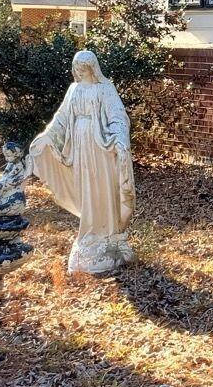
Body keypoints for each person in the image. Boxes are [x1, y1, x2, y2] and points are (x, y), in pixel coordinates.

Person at [29, 50, 136, 274]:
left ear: (92, 67)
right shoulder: (73, 89)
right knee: (86, 188)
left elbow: (117, 116)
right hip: (79, 144)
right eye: (76, 67)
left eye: (83, 67)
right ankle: (90, 233)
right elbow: (61, 118)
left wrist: (120, 140)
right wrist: (47, 136)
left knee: (102, 187)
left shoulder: (105, 88)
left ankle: (109, 234)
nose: (79, 70)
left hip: (101, 147)